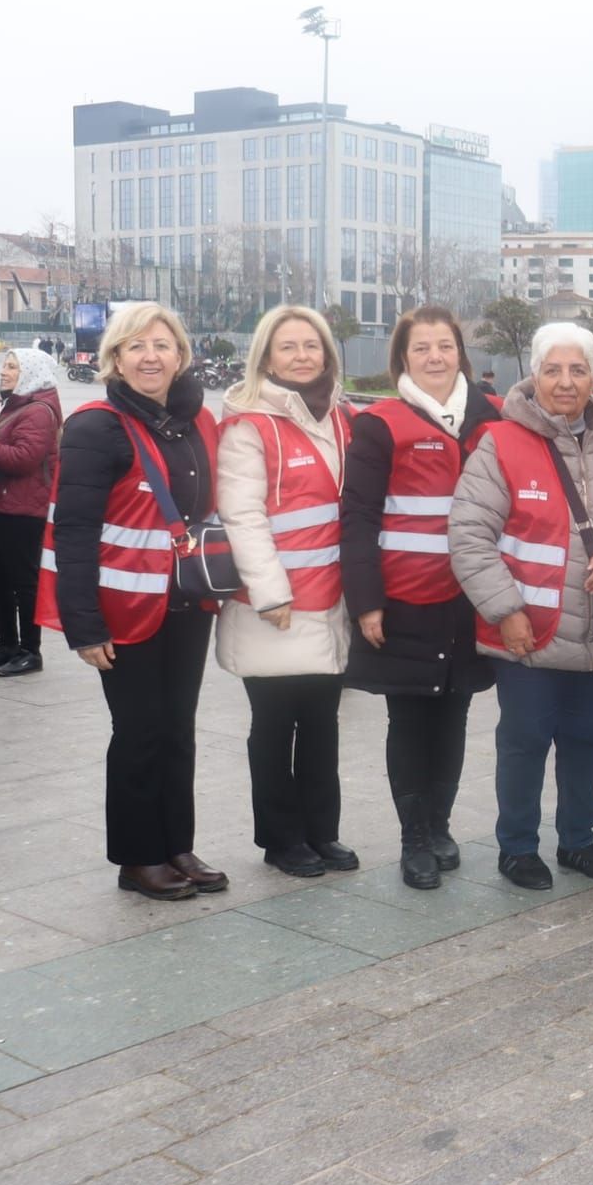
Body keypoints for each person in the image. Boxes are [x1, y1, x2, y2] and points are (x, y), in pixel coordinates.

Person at [450, 322, 593, 891]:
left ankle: (577, 840)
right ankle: (516, 847)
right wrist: (504, 609)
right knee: (524, 744)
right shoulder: (501, 443)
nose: (566, 382)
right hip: (527, 636)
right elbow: (468, 533)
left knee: (585, 740)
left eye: (578, 370)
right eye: (553, 369)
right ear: (533, 374)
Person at [38, 302, 225, 900]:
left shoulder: (196, 420)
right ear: (114, 357)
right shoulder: (97, 426)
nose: (151, 356)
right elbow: (73, 530)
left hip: (186, 603)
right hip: (124, 610)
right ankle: (138, 857)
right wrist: (83, 626)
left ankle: (175, 844)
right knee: (139, 730)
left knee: (177, 728)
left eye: (162, 345)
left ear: (181, 356)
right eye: (136, 346)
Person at [341, 306, 500, 889]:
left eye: (445, 346)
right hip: (405, 599)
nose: (435, 357)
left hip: (470, 599)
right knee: (409, 718)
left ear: (461, 351)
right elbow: (357, 517)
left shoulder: (494, 418)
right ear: (403, 359)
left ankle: (441, 826)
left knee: (455, 714)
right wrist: (366, 600)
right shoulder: (379, 424)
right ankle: (413, 840)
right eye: (421, 349)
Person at [215, 305, 357, 879]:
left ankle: (323, 832)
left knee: (323, 724)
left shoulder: (343, 418)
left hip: (332, 601)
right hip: (273, 606)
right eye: (288, 347)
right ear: (266, 358)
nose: (302, 357)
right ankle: (281, 838)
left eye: (312, 346)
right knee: (274, 726)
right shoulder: (249, 423)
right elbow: (242, 514)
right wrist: (271, 592)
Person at [0, 349, 64, 677]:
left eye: (12, 367)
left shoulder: (38, 411)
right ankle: (6, 644)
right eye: (5, 366)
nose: (3, 372)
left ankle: (29, 651)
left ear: (31, 372)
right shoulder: (4, 405)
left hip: (23, 509)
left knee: (24, 581)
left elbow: (22, 459)